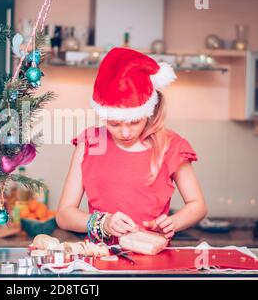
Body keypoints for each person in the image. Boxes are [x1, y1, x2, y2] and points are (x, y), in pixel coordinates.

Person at [56, 48, 207, 245]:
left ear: (148, 112)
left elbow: (198, 205)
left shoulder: (171, 146)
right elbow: (64, 215)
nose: (125, 133)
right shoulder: (90, 143)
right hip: (101, 260)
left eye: (134, 122)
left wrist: (174, 222)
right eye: (114, 124)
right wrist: (103, 223)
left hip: (153, 265)